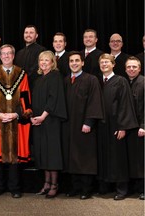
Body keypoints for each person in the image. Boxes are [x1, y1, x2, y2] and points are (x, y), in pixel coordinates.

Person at [0, 44, 32, 198]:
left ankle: (15, 188)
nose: (6, 56)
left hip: (16, 121)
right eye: (3, 54)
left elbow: (26, 99)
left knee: (15, 157)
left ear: (13, 55)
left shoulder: (22, 74)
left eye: (9, 53)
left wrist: (17, 114)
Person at [62, 51, 104, 200]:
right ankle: (75, 187)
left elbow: (95, 101)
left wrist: (89, 122)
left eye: (77, 61)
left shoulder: (91, 80)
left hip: (84, 126)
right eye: (71, 61)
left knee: (85, 157)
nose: (74, 63)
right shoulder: (67, 80)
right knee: (72, 156)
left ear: (82, 63)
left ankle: (86, 189)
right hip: (69, 126)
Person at [97, 53, 138, 200]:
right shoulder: (98, 81)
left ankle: (122, 189)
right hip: (102, 126)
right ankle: (106, 186)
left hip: (116, 125)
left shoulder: (121, 81)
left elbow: (125, 104)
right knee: (105, 156)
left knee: (118, 157)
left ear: (113, 64)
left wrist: (122, 127)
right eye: (102, 63)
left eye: (107, 62)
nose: (104, 65)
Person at [31, 51, 67, 199]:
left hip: (51, 120)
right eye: (41, 60)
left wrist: (43, 116)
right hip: (39, 121)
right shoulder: (38, 79)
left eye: (47, 60)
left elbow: (54, 99)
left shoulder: (55, 77)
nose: (44, 63)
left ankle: (54, 185)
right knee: (42, 152)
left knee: (52, 153)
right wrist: (33, 117)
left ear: (53, 62)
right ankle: (46, 183)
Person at [125, 56, 144, 200]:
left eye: (134, 67)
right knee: (133, 159)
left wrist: (144, 126)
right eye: (129, 67)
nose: (131, 69)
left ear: (139, 68)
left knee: (142, 160)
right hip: (130, 127)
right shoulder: (125, 82)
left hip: (141, 128)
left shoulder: (143, 83)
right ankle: (135, 188)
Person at [14, 25, 46, 89]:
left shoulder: (42, 51)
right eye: (26, 33)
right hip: (20, 87)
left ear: (36, 36)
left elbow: (36, 69)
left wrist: (23, 80)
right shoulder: (19, 53)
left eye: (31, 33)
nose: (28, 35)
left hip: (35, 87)